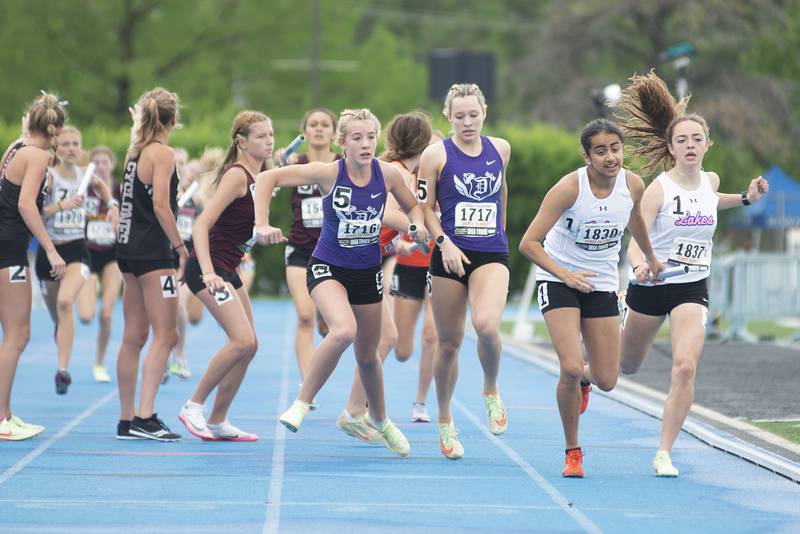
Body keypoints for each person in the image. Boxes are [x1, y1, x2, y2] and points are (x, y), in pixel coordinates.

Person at [615, 70, 769, 477]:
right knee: (622, 368)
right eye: (681, 140)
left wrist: (746, 198)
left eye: (696, 139)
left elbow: (710, 201)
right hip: (650, 287)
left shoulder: (710, 180)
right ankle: (588, 373)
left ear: (706, 145)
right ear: (670, 146)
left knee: (684, 366)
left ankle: (664, 452)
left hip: (691, 288)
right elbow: (635, 238)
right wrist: (641, 265)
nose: (689, 146)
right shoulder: (658, 189)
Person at [255, 108, 429, 457]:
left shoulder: (389, 174)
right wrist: (261, 223)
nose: (365, 145)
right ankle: (302, 403)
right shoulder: (328, 173)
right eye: (357, 138)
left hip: (367, 271)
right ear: (343, 143)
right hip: (326, 267)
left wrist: (416, 226)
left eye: (370, 138)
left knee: (368, 355)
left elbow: (411, 207)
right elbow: (265, 179)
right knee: (342, 331)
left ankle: (380, 420)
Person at [519, 117, 663, 477]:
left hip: (600, 282)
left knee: (607, 379)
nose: (610, 157)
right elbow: (528, 243)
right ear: (587, 156)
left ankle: (585, 380)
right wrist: (565, 274)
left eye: (615, 148)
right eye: (601, 151)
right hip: (559, 278)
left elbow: (635, 223)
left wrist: (650, 256)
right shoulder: (569, 188)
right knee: (568, 366)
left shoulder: (632, 184)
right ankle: (573, 452)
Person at [418, 83, 511, 460]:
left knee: (487, 326)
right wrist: (444, 244)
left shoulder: (500, 149)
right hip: (448, 255)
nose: (467, 122)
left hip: (490, 253)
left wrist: (499, 232)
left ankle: (491, 389)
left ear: (484, 113)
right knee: (449, 343)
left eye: (473, 115)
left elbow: (501, 193)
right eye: (460, 116)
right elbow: (424, 209)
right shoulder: (435, 155)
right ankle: (445, 421)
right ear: (448, 117)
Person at [336, 111, 432, 443]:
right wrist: (413, 229)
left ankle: (355, 410)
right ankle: (352, 411)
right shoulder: (397, 174)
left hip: (364, 256)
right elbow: (381, 214)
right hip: (354, 260)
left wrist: (400, 241)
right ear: (423, 142)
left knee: (382, 338)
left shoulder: (392, 169)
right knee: (380, 338)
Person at [177, 111, 273, 442]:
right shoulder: (237, 176)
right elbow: (202, 226)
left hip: (229, 268)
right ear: (241, 142)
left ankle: (218, 420)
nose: (269, 141)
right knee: (242, 340)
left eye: (271, 134)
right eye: (261, 136)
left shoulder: (263, 176)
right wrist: (206, 272)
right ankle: (194, 405)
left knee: (251, 345)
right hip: (208, 269)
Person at [115, 88, 187, 441]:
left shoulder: (135, 151)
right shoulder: (162, 152)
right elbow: (162, 205)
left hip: (128, 251)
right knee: (167, 334)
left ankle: (127, 419)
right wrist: (180, 246)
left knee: (133, 337)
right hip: (153, 253)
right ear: (172, 121)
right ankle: (145, 417)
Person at [0, 94, 66, 439]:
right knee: (17, 333)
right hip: (9, 249)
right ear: (54, 128)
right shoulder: (38, 155)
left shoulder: (15, 147)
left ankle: (6, 412)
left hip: (6, 245)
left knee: (14, 333)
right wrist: (52, 250)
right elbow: (26, 205)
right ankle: (1, 418)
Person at [36, 126, 118, 394]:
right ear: (56, 148)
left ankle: (62, 370)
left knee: (65, 302)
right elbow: (34, 213)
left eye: (75, 144)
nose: (71, 148)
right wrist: (62, 205)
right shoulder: (49, 178)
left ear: (80, 148)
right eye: (66, 144)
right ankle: (61, 330)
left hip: (76, 251)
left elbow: (103, 187)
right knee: (57, 316)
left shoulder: (86, 175)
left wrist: (113, 207)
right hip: (49, 251)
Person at [279, 108, 339, 381]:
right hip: (301, 248)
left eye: (325, 125)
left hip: (335, 253)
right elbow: (268, 175)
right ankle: (308, 384)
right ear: (303, 132)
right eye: (313, 124)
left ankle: (324, 319)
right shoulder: (294, 162)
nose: (318, 129)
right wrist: (276, 162)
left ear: (334, 133)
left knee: (330, 326)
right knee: (304, 316)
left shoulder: (343, 163)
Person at [391, 128, 443, 423]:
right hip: (408, 265)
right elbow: (388, 220)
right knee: (401, 348)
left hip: (438, 263)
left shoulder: (449, 181)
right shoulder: (402, 180)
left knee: (432, 334)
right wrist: (400, 243)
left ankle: (421, 402)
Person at [76, 145, 123, 383]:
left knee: (106, 313)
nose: (102, 166)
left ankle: (100, 363)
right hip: (88, 254)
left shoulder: (120, 191)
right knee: (85, 316)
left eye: (106, 162)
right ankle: (88, 289)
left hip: (112, 256)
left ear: (112, 164)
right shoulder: (84, 190)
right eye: (97, 162)